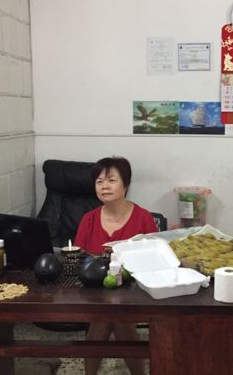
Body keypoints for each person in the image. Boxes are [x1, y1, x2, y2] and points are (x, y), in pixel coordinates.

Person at [74, 156, 156, 375]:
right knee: (109, 315)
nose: (104, 186)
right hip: (95, 292)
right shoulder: (88, 219)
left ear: (126, 185)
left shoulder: (143, 218)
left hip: (134, 291)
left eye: (111, 180)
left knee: (112, 317)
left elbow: (154, 259)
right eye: (99, 181)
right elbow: (79, 259)